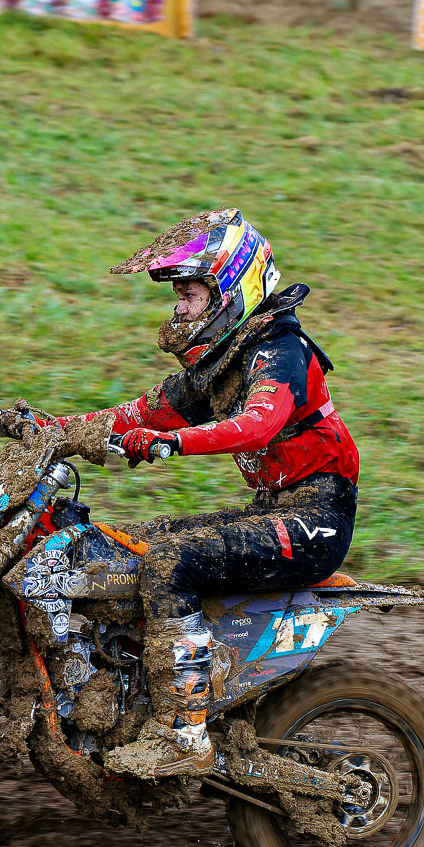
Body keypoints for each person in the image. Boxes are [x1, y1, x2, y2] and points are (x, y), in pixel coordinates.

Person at [51, 209, 360, 779]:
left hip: (316, 520)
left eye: (191, 295)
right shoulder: (220, 363)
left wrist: (170, 443)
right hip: (274, 511)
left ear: (231, 291)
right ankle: (128, 694)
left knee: (170, 562)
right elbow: (135, 414)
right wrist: (44, 429)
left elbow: (258, 425)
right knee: (120, 548)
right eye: (180, 296)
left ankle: (185, 730)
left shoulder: (281, 351)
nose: (180, 309)